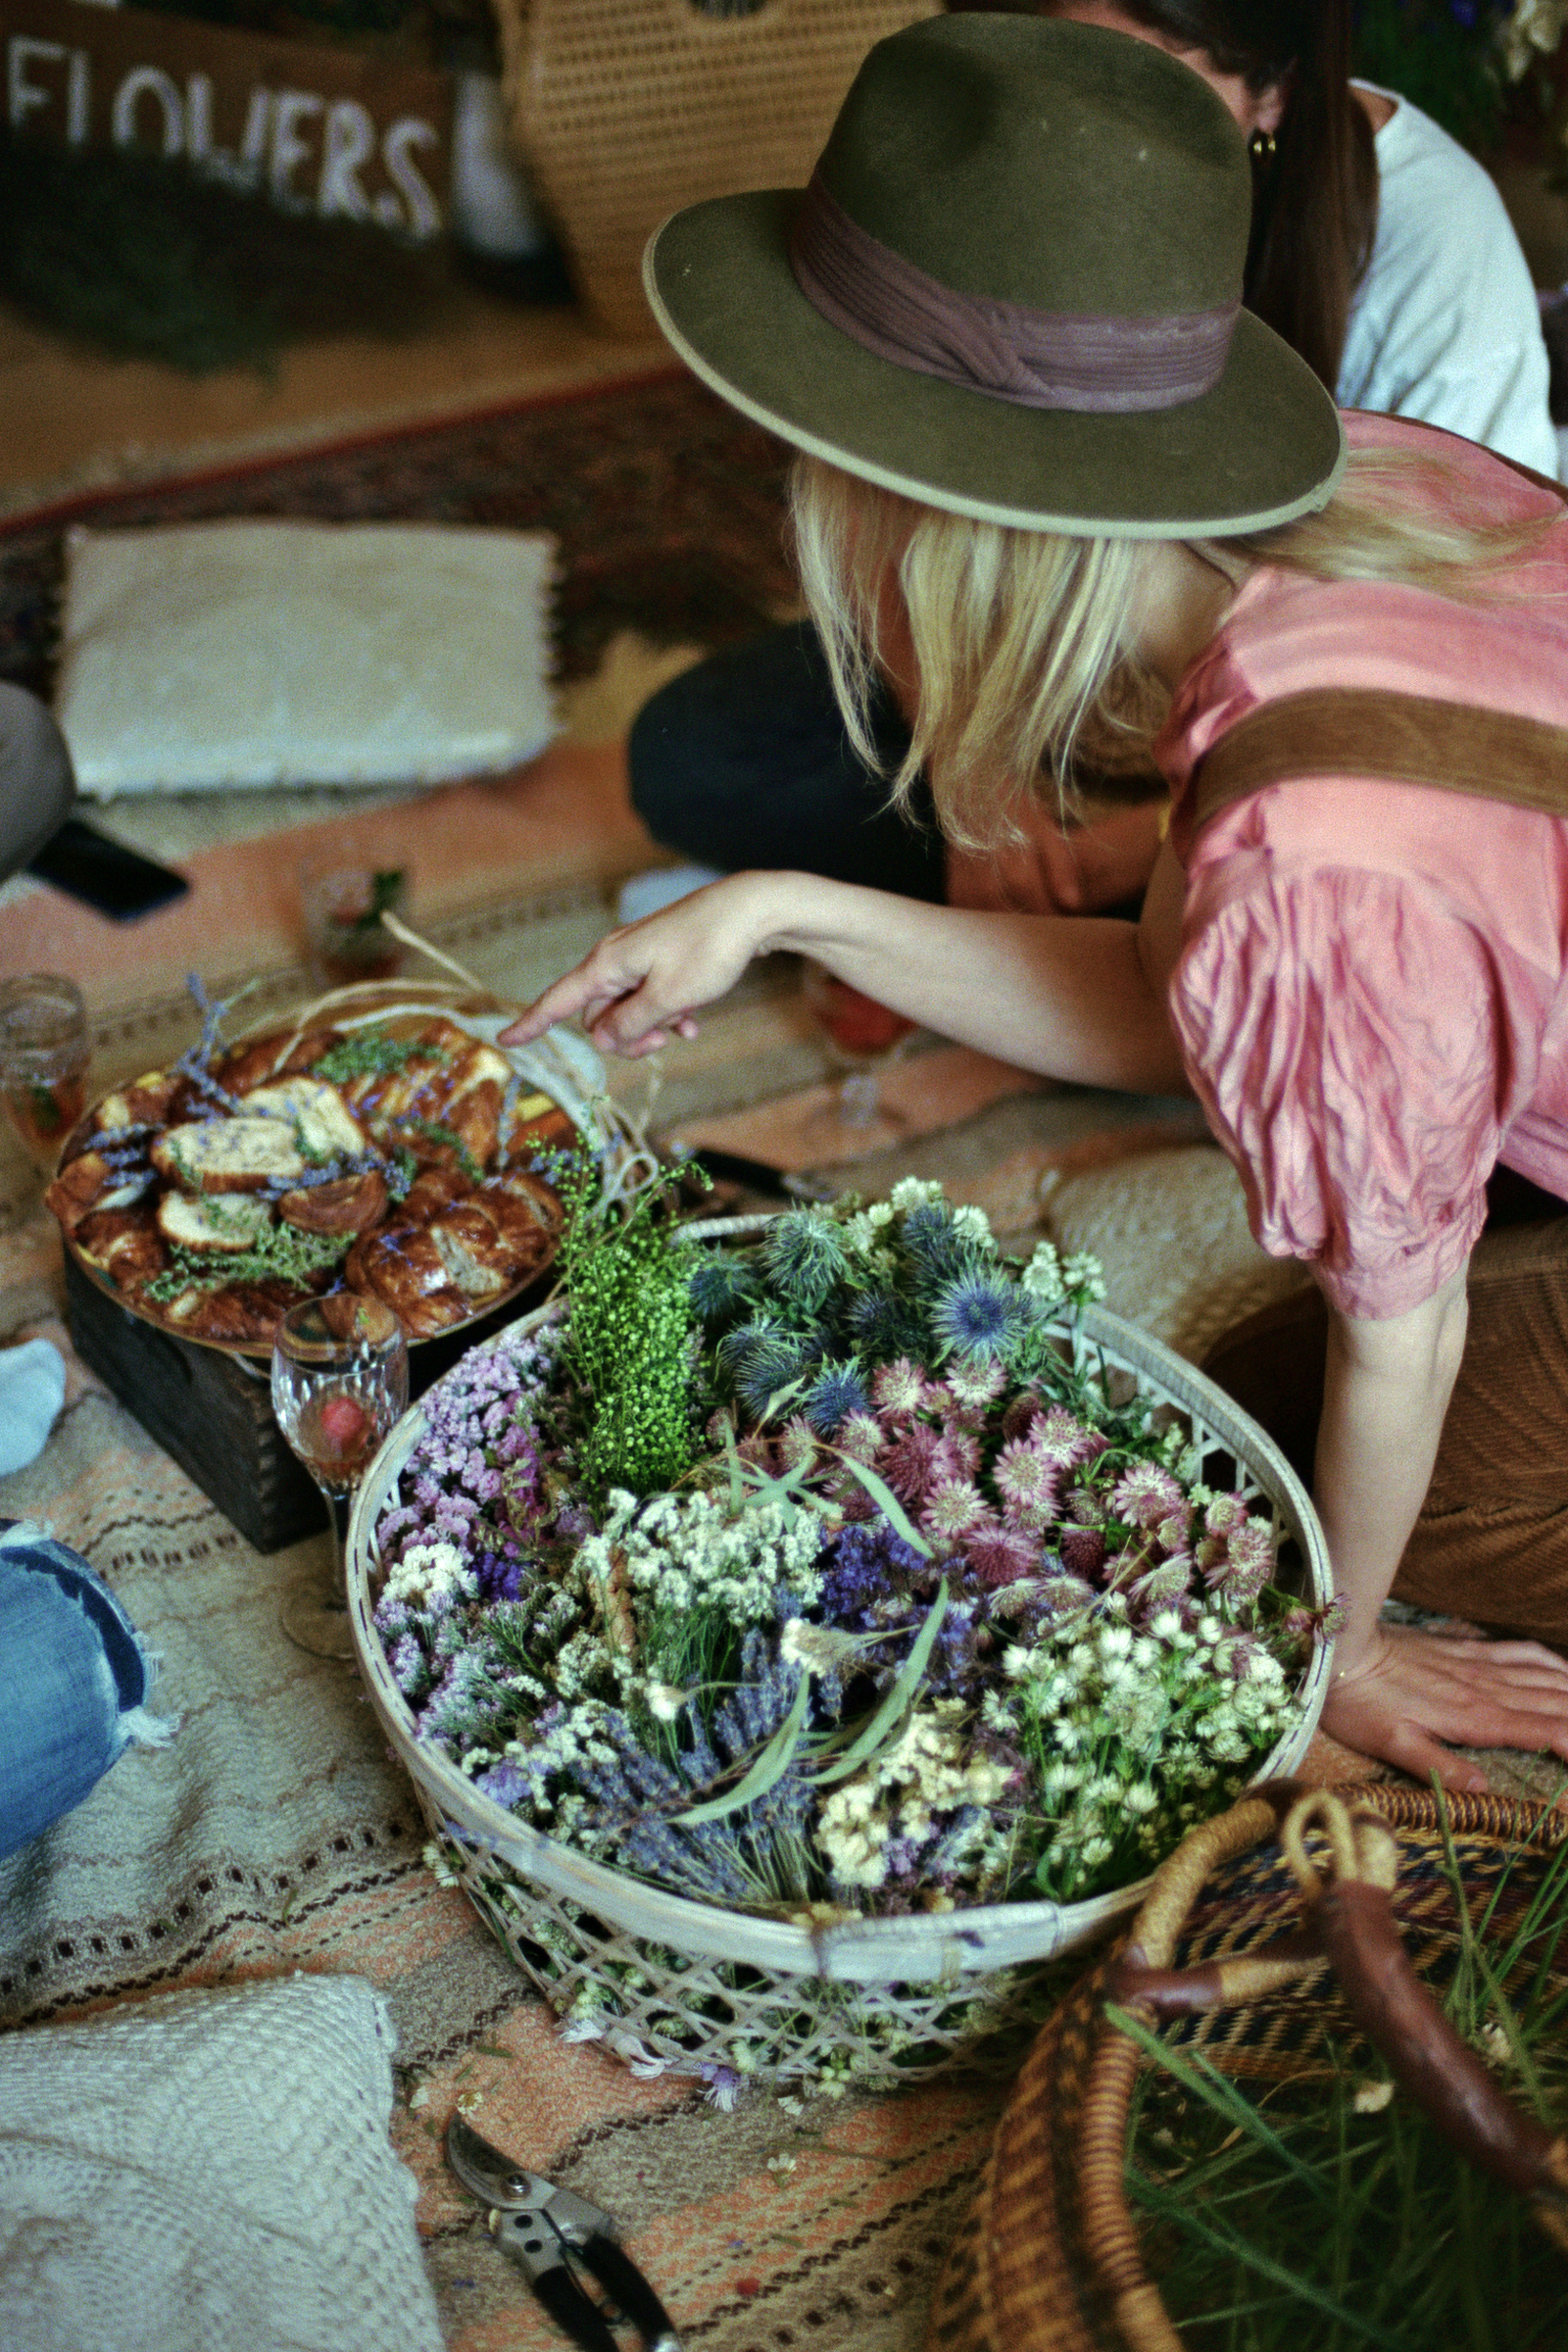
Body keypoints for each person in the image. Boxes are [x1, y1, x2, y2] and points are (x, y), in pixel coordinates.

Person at [502, 13, 1568, 1790]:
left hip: (1431, 1145)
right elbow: (1179, 1004)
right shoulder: (1350, 495)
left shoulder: (1312, 860)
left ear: (929, 514)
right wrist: (784, 909)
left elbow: (1410, 1330)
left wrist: (1347, 1655)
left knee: (1263, 1468)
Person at [627, 0, 1556, 926]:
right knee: (689, 757)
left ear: (1273, 95)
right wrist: (975, 787)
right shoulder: (1005, 157)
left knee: (1265, 911)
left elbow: (1424, 711)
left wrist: (1131, 853)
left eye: (1147, 88)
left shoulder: (1436, 245)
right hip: (1028, 635)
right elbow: (906, 510)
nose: (1085, 122)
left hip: (1283, 732)